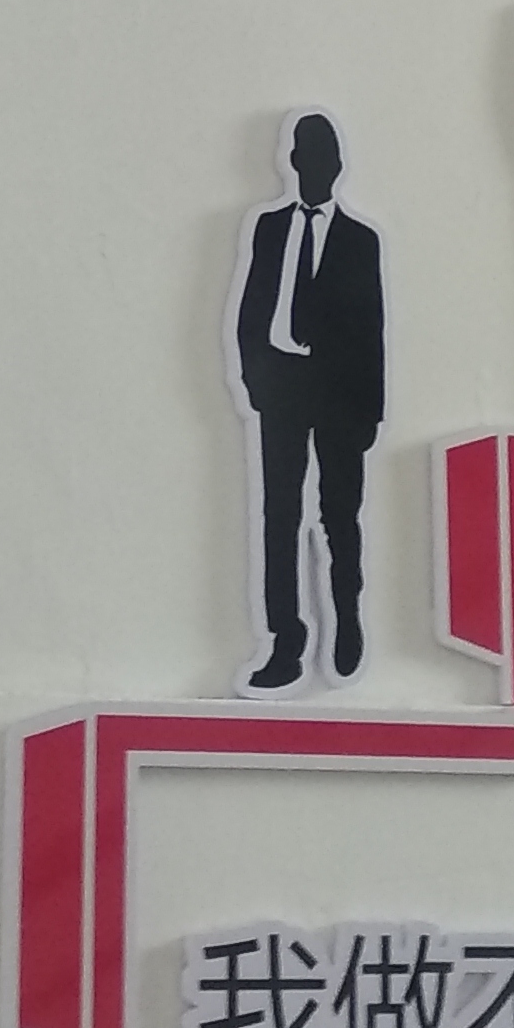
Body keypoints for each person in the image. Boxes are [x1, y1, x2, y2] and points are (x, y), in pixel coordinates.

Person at [231, 113, 386, 691]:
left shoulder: (361, 240)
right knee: (280, 517)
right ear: (293, 163)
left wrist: (369, 410)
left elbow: (372, 330)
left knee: (339, 515)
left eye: (325, 159)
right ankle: (285, 642)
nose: (316, 169)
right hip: (282, 390)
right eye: (307, 158)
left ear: (337, 167)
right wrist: (254, 377)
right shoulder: (268, 228)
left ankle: (345, 621)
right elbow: (251, 307)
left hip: (340, 395)